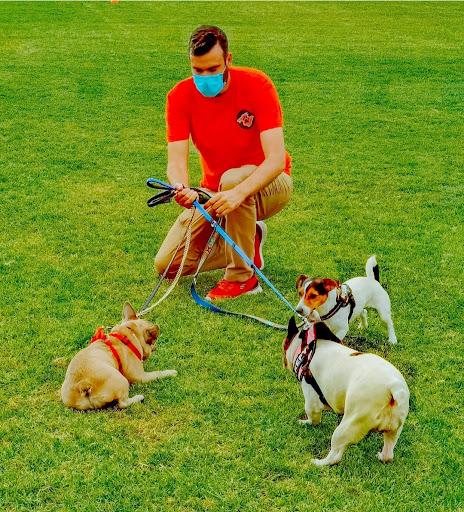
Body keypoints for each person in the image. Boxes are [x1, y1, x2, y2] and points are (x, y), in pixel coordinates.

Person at [155, 25, 292, 300]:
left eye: (213, 69)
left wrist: (237, 193)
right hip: (214, 192)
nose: (205, 76)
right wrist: (181, 186)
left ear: (228, 60)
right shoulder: (179, 96)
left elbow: (276, 159)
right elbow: (176, 161)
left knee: (232, 180)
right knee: (167, 264)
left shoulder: (257, 85)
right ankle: (247, 240)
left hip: (271, 185)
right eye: (198, 70)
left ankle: (242, 278)